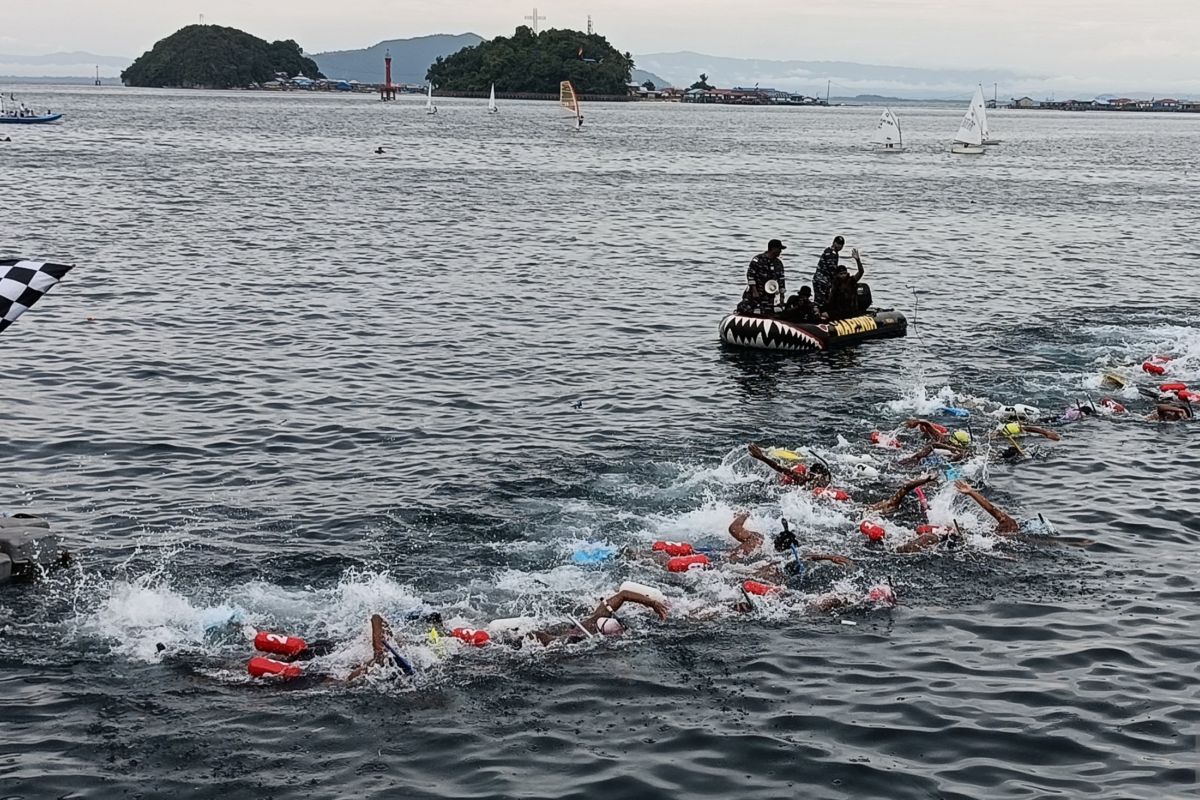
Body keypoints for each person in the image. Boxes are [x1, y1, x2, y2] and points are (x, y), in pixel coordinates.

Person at [530, 587, 668, 645]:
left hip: (566, 627)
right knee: (550, 641)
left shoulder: (598, 616)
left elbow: (623, 594)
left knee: (540, 634)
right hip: (569, 637)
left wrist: (652, 603)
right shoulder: (587, 637)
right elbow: (624, 594)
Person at [736, 239, 787, 317]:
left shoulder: (778, 264)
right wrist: (754, 291)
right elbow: (750, 276)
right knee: (748, 308)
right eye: (779, 249)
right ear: (773, 249)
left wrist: (782, 296)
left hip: (769, 294)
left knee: (767, 312)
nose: (780, 251)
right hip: (755, 292)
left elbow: (781, 280)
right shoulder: (758, 260)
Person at [813, 236, 861, 308]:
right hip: (822, 281)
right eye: (838, 243)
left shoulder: (832, 252)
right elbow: (832, 270)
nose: (839, 246)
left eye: (841, 244)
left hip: (823, 281)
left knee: (822, 301)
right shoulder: (831, 253)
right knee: (820, 302)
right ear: (833, 242)